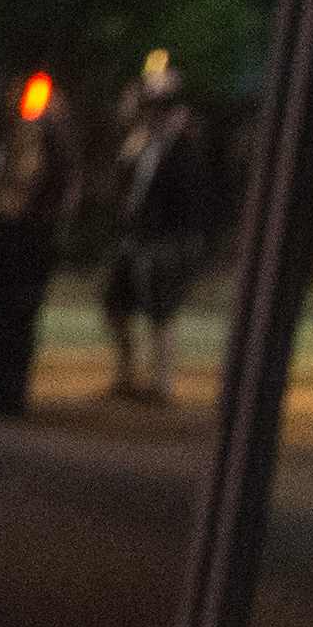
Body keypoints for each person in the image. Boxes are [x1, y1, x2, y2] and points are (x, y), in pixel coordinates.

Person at [104, 70, 221, 407]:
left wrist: (192, 240)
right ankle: (126, 376)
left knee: (161, 308)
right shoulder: (140, 143)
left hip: (167, 238)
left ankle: (162, 383)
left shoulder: (184, 144)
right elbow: (123, 183)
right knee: (115, 301)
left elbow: (195, 196)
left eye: (157, 107)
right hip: (135, 235)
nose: (150, 113)